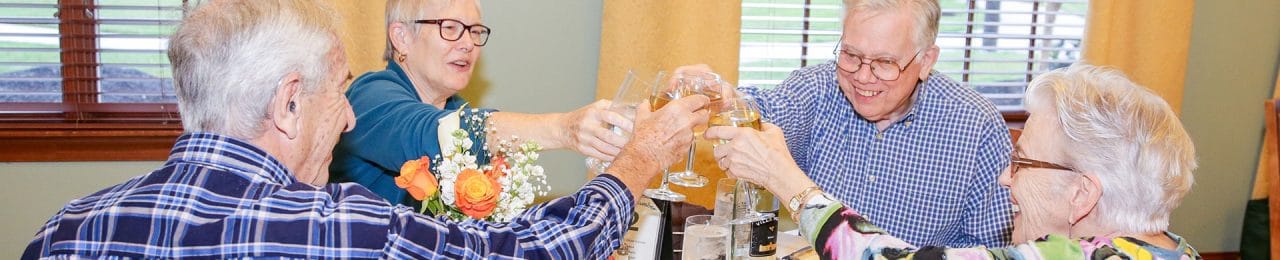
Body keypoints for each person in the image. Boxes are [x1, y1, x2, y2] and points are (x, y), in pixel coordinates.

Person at [22, 0, 709, 258]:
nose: (345, 115)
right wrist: (631, 150)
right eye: (334, 93)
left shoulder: (62, 231)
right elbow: (536, 247)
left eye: (475, 29)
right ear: (288, 103)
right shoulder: (340, 220)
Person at [707, 64, 1200, 259]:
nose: (1006, 176)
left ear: (1082, 195)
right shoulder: (1172, 249)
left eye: (1023, 162)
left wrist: (788, 181)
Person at [683, 0, 1013, 247]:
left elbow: (989, 248)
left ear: (926, 60)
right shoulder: (821, 87)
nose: (862, 77)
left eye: (885, 62)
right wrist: (723, 96)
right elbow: (766, 110)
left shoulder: (976, 126)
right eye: (851, 55)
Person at [329, 0, 630, 209]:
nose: (468, 43)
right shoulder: (370, 96)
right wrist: (565, 129)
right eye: (450, 27)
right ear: (402, 37)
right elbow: (436, 136)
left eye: (474, 31)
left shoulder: (456, 109)